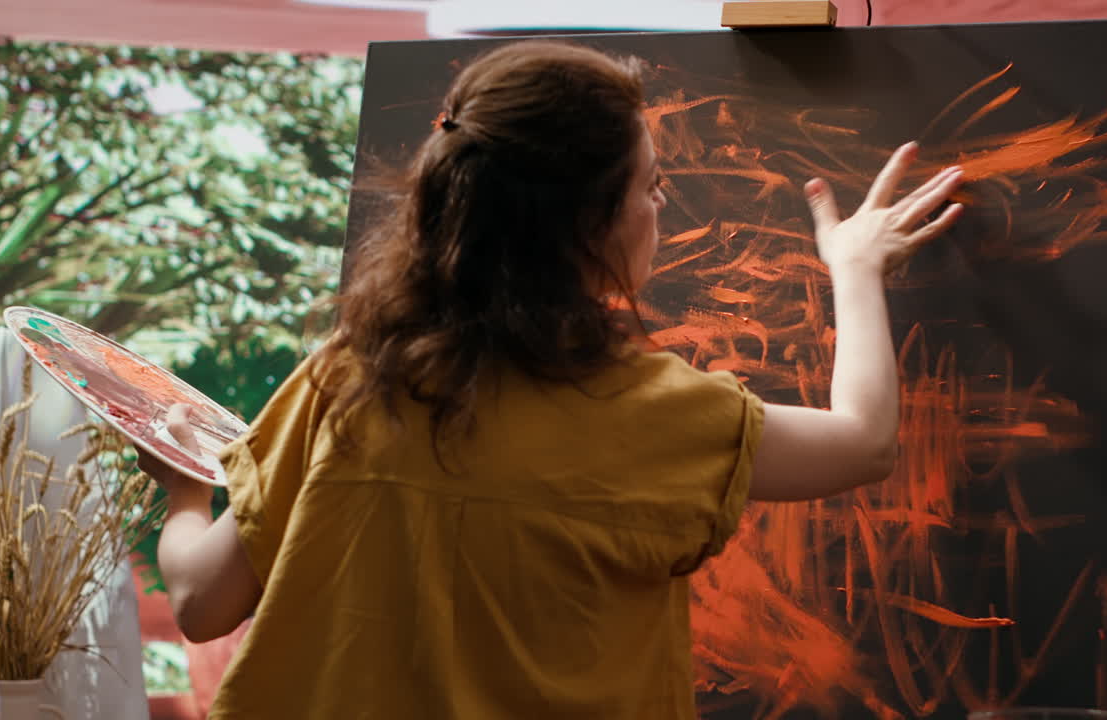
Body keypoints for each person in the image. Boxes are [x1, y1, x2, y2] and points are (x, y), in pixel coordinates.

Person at [136, 39, 963, 720]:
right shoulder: (659, 417)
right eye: (650, 187)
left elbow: (202, 599)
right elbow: (864, 442)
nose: (662, 206)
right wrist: (854, 269)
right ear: (589, 225)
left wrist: (183, 492)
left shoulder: (350, 377)